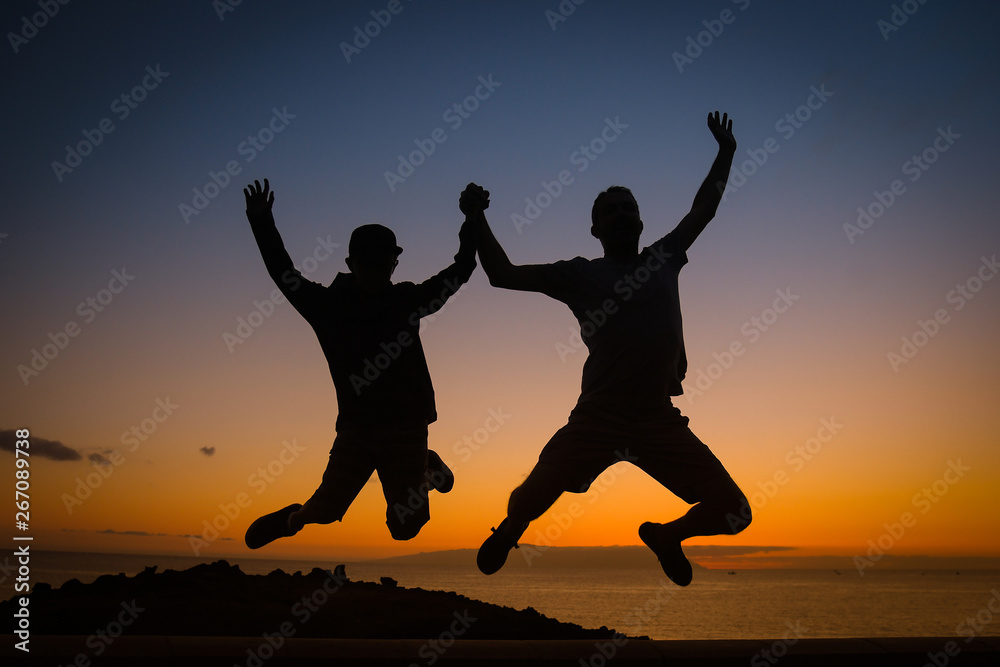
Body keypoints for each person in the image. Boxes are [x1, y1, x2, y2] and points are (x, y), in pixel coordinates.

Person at [467, 112, 750, 586]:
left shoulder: (663, 257)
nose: (621, 215)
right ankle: (512, 528)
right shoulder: (579, 274)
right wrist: (476, 217)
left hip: (657, 419)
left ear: (641, 222)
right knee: (535, 493)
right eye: (610, 211)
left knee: (735, 512)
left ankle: (667, 536)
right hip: (598, 417)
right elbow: (501, 274)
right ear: (595, 230)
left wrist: (726, 152)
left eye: (627, 208)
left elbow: (704, 208)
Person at [241, 178, 476, 548]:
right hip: (357, 428)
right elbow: (282, 273)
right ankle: (291, 520)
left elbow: (460, 271)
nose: (376, 267)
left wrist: (472, 220)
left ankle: (425, 467)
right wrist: (261, 221)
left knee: (405, 527)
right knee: (326, 508)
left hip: (406, 426)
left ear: (394, 263)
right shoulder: (327, 305)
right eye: (367, 260)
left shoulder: (406, 300)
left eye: (384, 260)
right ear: (351, 263)